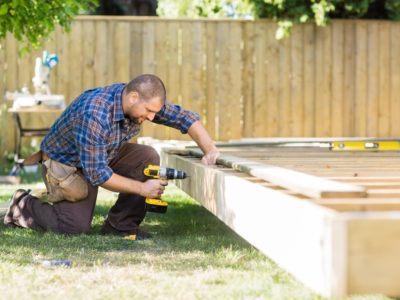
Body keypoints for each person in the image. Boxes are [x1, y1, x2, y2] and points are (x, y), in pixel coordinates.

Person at [3, 74, 220, 238]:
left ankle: (120, 225)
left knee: (147, 157)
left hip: (103, 154)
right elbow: (98, 174)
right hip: (66, 164)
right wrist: (143, 189)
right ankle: (21, 204)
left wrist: (210, 150)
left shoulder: (140, 102)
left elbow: (185, 118)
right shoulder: (95, 114)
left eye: (155, 111)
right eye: (149, 111)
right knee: (73, 227)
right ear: (134, 97)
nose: (153, 116)